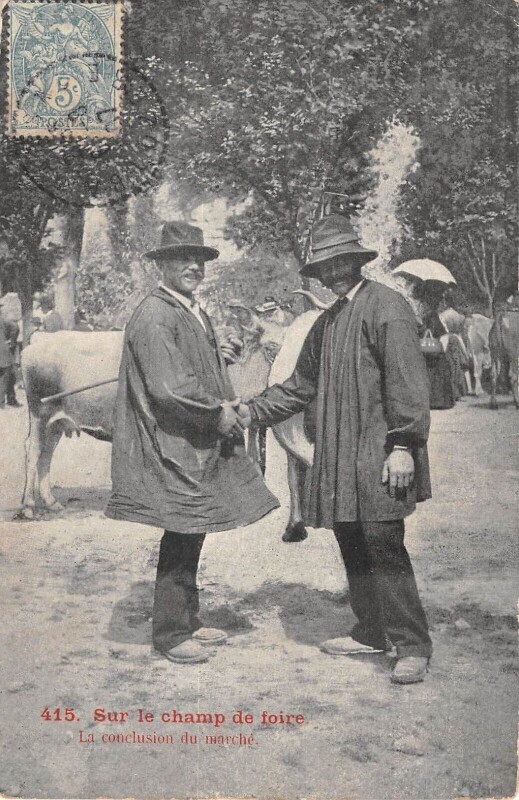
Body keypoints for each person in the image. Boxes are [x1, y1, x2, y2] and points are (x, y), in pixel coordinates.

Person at [241, 214, 433, 685]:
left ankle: (411, 645)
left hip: (382, 450)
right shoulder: (326, 323)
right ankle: (369, 629)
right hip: (339, 452)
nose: (335, 272)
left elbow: (408, 384)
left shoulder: (388, 307)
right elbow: (299, 385)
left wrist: (404, 445)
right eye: (326, 266)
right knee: (350, 537)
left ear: (356, 262)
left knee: (384, 543)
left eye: (342, 261)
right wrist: (249, 411)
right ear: (319, 274)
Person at [105, 222, 279, 665]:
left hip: (193, 439)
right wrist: (219, 412)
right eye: (182, 258)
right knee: (181, 530)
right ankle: (169, 633)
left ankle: (188, 620)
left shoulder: (190, 310)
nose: (193, 266)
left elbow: (200, 373)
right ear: (161, 265)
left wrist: (229, 401)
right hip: (172, 441)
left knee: (192, 529)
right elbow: (169, 388)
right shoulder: (155, 314)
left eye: (199, 259)